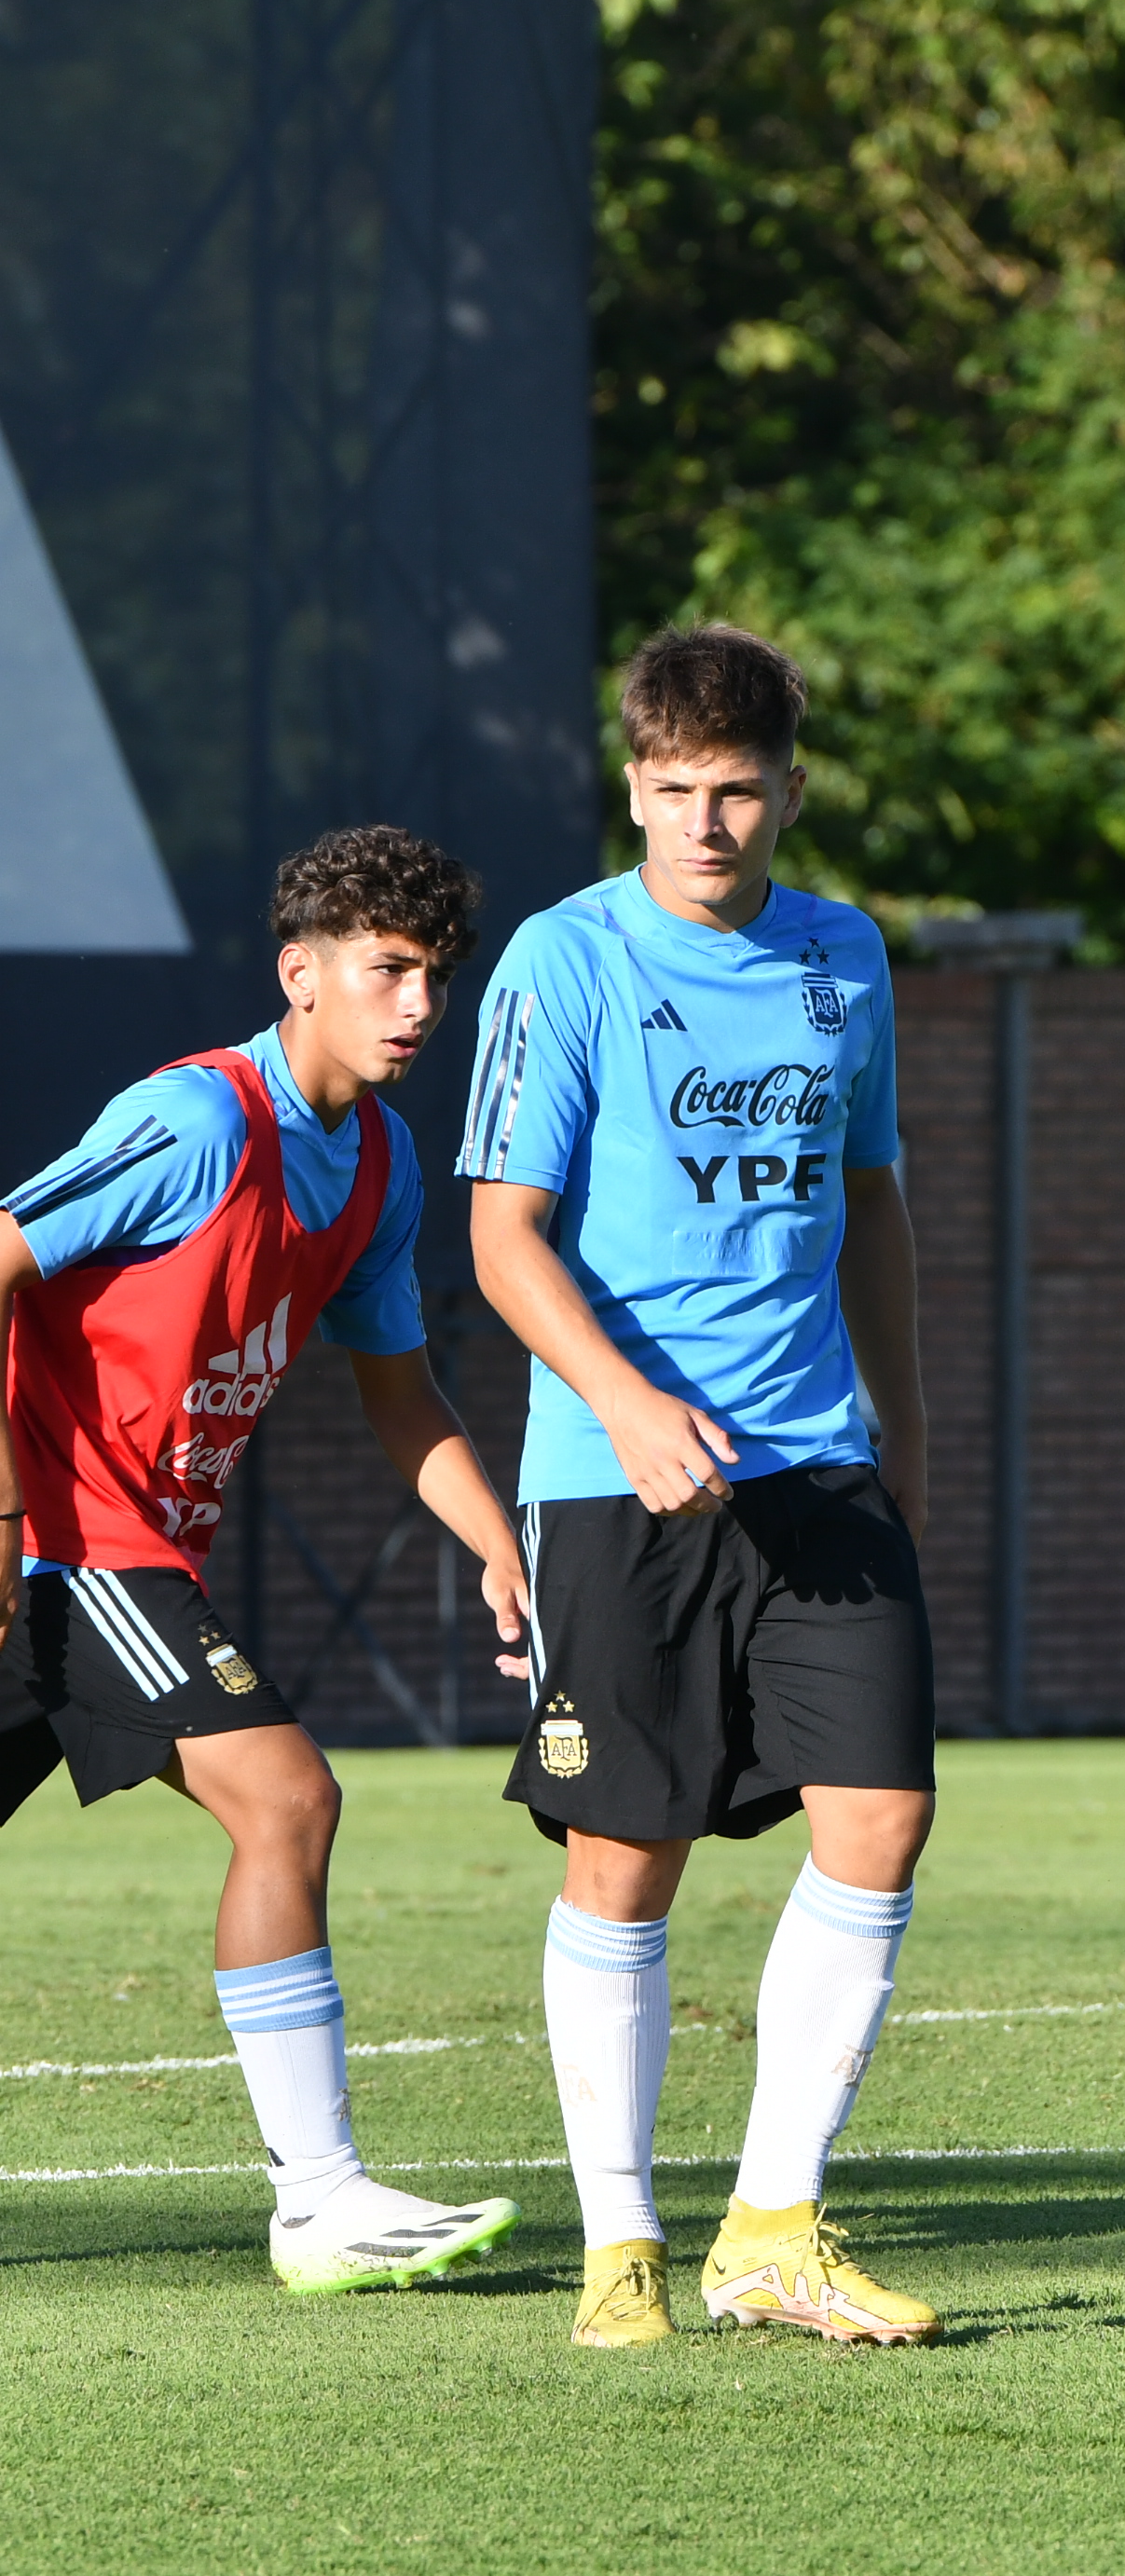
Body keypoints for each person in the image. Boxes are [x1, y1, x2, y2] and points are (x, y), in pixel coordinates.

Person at [460, 623, 940, 2350]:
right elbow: (502, 1239)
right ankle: (620, 2250)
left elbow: (870, 1202)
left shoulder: (843, 960)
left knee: (880, 1817)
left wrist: (910, 1428)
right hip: (616, 1474)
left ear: (790, 792)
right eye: (674, 791)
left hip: (817, 1459)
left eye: (739, 791)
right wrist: (627, 1399)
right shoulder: (561, 961)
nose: (708, 824)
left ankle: (774, 2227)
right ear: (634, 786)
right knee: (625, 1856)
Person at [0, 829, 528, 2293]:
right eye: (387, 972)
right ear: (303, 977)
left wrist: (500, 1551)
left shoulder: (376, 1160)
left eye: (435, 977)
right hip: (69, 1544)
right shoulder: (195, 1122)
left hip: (116, 1553)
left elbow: (399, 1390)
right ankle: (322, 2198)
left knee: (283, 1807)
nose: (418, 1005)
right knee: (288, 1798)